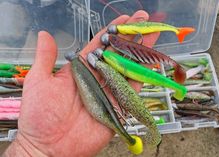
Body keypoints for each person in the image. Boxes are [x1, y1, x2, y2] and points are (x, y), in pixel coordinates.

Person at [3, 10, 159, 157]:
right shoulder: (80, 66)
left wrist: (31, 149)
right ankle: (131, 138)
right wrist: (31, 147)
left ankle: (132, 138)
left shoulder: (82, 65)